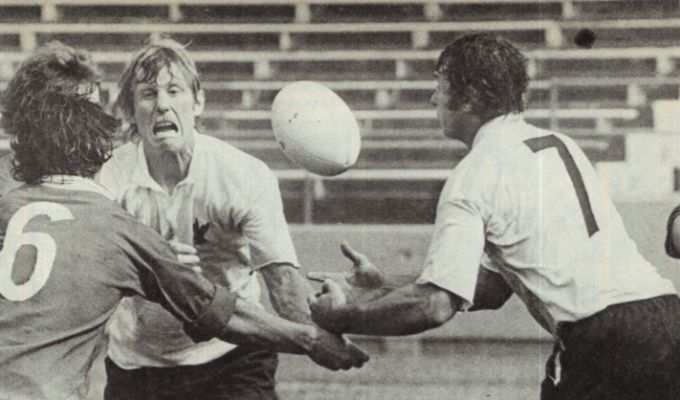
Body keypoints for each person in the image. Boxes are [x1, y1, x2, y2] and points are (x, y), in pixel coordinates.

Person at [308, 33, 680, 400]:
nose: (433, 97)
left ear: (468, 97)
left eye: (440, 84)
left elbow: (435, 306)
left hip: (602, 339)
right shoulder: (558, 144)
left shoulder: (475, 173)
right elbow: (492, 286)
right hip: (666, 316)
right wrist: (383, 286)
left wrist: (343, 317)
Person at [0, 41, 367, 400]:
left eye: (174, 90)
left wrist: (327, 325)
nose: (162, 104)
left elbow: (283, 283)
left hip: (230, 358)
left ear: (198, 101)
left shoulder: (243, 175)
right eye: (147, 94)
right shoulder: (103, 187)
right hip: (138, 363)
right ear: (129, 110)